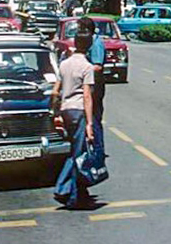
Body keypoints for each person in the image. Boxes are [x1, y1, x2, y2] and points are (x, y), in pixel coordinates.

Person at [52, 26, 98, 209]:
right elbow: (87, 96)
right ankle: (64, 190)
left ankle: (78, 192)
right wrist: (89, 123)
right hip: (78, 111)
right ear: (89, 46)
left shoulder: (64, 64)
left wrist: (56, 113)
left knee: (73, 151)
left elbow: (55, 91)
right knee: (78, 155)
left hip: (65, 110)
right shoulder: (87, 67)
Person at [78, 16, 107, 155]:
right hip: (87, 83)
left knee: (94, 118)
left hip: (95, 85)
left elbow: (98, 66)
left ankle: (98, 151)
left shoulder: (96, 43)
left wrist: (81, 67)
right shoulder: (88, 42)